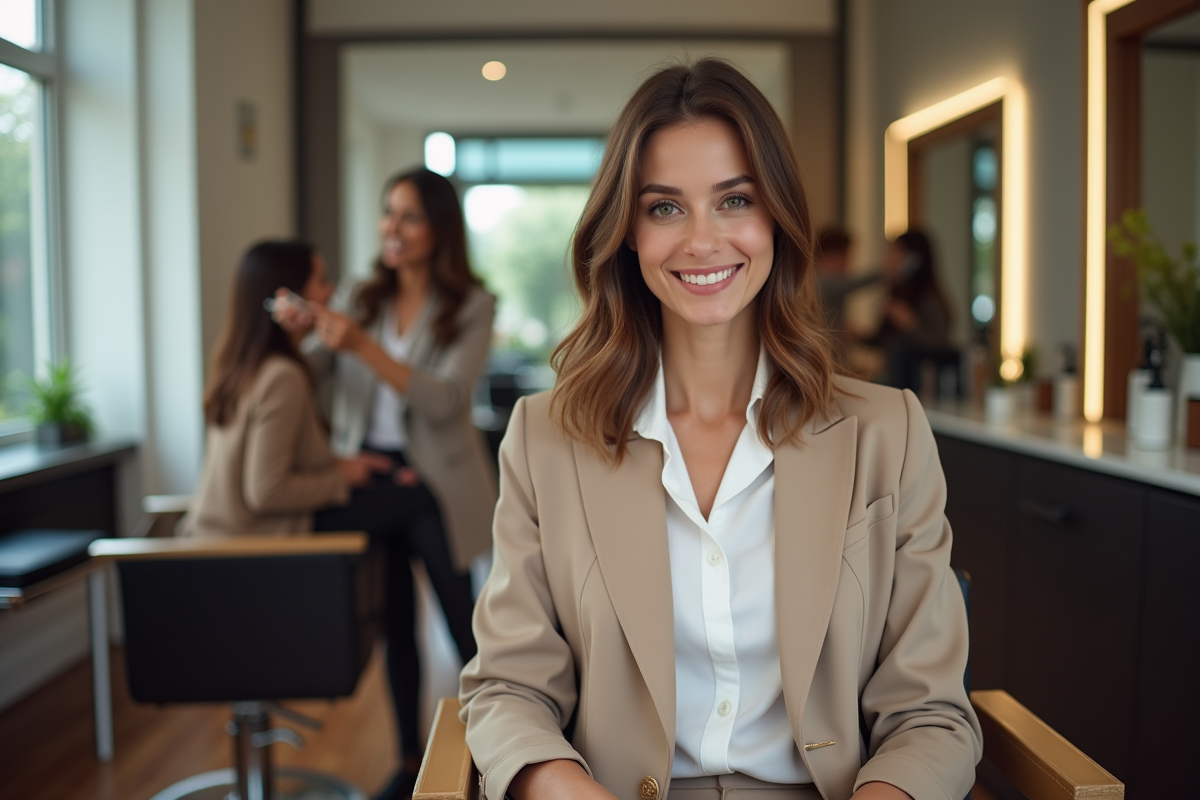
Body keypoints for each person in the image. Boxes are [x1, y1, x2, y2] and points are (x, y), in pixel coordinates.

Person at [459, 59, 981, 800]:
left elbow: (931, 714)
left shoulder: (886, 433)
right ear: (627, 233)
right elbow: (508, 688)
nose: (702, 241)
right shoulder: (545, 439)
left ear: (777, 218)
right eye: (665, 208)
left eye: (734, 200)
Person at [297, 167, 498, 800]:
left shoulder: (472, 304)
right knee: (392, 623)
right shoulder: (361, 297)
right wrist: (303, 338)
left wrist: (359, 345)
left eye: (408, 216)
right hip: (376, 475)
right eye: (389, 213)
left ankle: (494, 749)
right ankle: (409, 760)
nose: (392, 227)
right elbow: (319, 378)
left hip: (434, 483)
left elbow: (444, 400)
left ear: (439, 229)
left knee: (463, 623)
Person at [182, 240, 388, 540]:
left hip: (218, 540)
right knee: (412, 500)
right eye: (322, 281)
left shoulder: (241, 366)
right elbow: (266, 490)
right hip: (254, 550)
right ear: (289, 298)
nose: (331, 292)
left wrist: (336, 464)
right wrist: (339, 479)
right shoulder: (282, 377)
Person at [862, 230, 952, 389]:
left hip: (918, 387)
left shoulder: (928, 298)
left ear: (913, 259)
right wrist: (860, 337)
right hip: (894, 382)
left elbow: (940, 344)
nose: (889, 258)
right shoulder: (897, 294)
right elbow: (886, 341)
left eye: (895, 252)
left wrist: (910, 324)